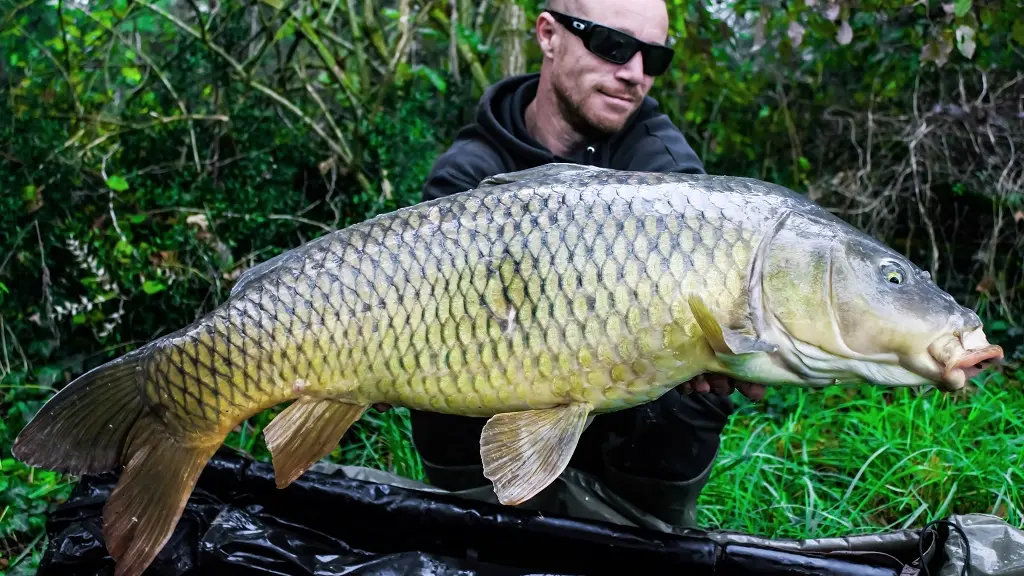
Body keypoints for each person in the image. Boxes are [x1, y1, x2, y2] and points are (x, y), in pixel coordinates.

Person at [404, 0, 766, 529]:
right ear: (548, 35)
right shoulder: (469, 172)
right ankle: (482, 520)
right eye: (613, 47)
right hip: (490, 395)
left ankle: (636, 530)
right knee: (433, 344)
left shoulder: (664, 171)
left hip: (622, 442)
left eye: (654, 58)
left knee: (689, 382)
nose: (635, 74)